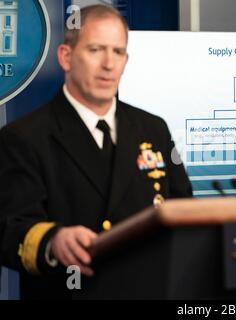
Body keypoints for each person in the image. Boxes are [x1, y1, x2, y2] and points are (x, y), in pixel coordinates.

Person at [0, 5, 192, 299]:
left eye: (118, 52)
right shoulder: (24, 137)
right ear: (66, 56)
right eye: (95, 50)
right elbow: (8, 230)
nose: (108, 64)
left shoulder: (153, 129)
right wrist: (53, 240)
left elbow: (183, 210)